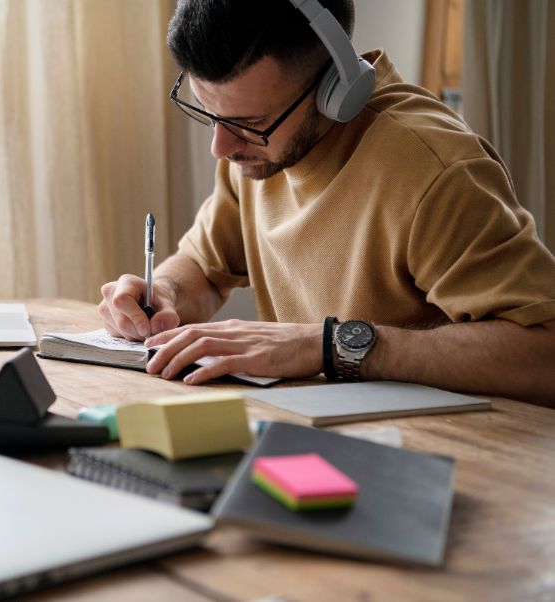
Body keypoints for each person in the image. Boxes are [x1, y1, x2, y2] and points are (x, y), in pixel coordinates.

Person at [98, 0, 555, 405]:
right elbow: (205, 267)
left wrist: (328, 346)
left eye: (248, 121)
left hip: (457, 457)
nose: (220, 146)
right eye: (208, 112)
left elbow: (543, 355)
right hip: (316, 436)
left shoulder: (435, 172)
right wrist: (165, 293)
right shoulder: (254, 150)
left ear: (335, 90)